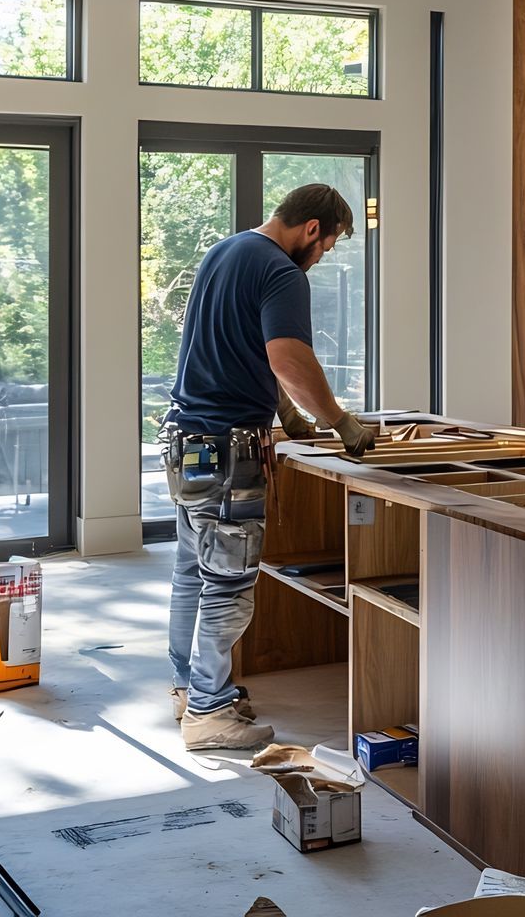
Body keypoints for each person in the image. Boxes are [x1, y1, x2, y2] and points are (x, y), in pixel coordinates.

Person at [161, 183, 376, 750]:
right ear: (312, 229)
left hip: (189, 443)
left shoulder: (225, 251)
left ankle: (189, 690)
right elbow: (287, 357)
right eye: (327, 245)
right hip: (230, 451)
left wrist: (290, 416)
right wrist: (341, 422)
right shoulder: (282, 271)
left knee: (192, 572)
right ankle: (209, 713)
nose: (322, 256)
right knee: (229, 583)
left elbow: (243, 351)